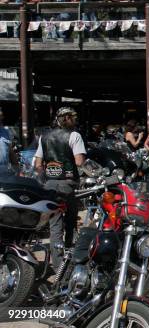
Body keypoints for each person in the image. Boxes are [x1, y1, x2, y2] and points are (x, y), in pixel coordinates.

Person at [34, 107, 86, 270]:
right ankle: (72, 260)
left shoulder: (44, 136)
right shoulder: (74, 135)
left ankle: (57, 266)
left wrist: (48, 174)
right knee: (71, 222)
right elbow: (79, 162)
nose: (75, 120)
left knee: (55, 226)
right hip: (68, 184)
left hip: (49, 184)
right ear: (66, 119)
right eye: (73, 117)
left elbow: (37, 164)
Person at [0, 109, 17, 174]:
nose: (1, 119)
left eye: (1, 116)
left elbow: (11, 153)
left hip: (4, 175)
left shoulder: (6, 132)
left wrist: (18, 170)